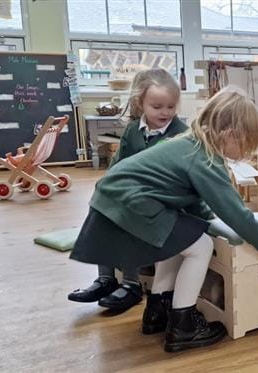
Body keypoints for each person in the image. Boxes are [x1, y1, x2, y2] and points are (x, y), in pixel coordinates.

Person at [70, 87, 258, 352]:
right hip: (131, 203)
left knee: (180, 239)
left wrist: (207, 218)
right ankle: (183, 325)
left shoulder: (189, 144)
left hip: (117, 198)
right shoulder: (204, 157)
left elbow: (194, 203)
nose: (243, 153)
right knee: (200, 246)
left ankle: (159, 310)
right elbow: (233, 209)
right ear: (231, 135)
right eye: (244, 146)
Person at [68, 69, 187, 311]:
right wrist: (107, 184)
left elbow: (181, 175)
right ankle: (106, 277)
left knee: (129, 211)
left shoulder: (180, 133)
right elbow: (120, 162)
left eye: (170, 107)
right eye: (157, 107)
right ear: (140, 103)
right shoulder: (134, 130)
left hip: (161, 199)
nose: (165, 112)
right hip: (133, 190)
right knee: (103, 204)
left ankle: (131, 285)